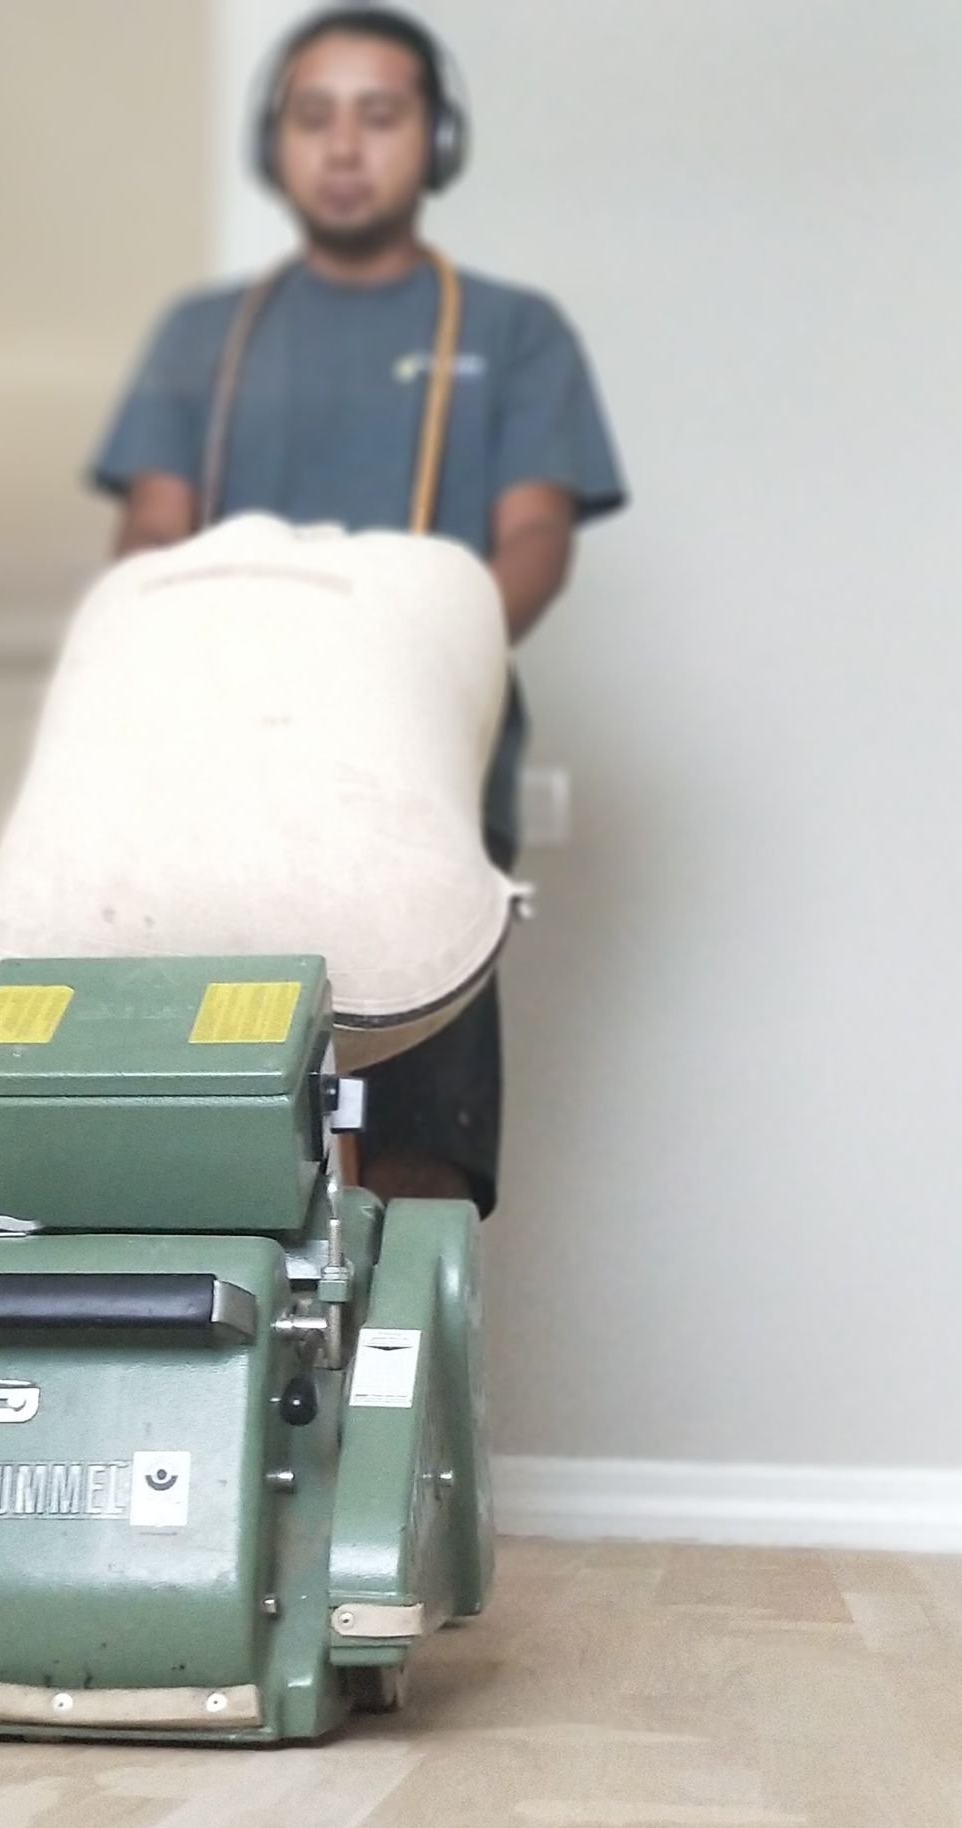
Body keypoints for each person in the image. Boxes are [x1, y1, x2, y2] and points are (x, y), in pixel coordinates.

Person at [90, 4, 626, 1216]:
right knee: (218, 1106)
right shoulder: (205, 338)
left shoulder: (510, 334)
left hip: (426, 755)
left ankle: (396, 1387)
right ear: (271, 142)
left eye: (379, 117)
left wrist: (439, 659)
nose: (344, 147)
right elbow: (149, 533)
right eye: (313, 117)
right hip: (222, 754)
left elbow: (535, 534)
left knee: (414, 1131)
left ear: (434, 141)